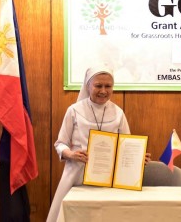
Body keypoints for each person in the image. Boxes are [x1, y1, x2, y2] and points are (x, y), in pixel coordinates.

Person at [46, 65, 151, 222]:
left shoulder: (118, 113)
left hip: (108, 179)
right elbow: (60, 143)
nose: (103, 90)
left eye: (108, 86)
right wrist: (70, 154)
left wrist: (137, 159)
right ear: (88, 86)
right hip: (77, 176)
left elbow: (126, 145)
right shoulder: (74, 110)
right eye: (98, 85)